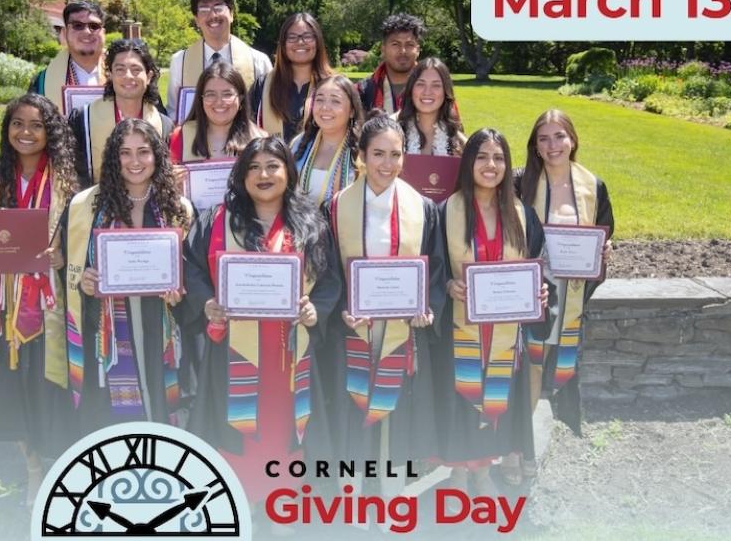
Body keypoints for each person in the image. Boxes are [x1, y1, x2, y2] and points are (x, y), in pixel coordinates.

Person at [183, 137, 339, 507]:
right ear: (241, 175)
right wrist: (207, 304)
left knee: (285, 427)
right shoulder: (217, 221)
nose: (263, 175)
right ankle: (240, 500)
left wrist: (316, 310)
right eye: (253, 167)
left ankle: (283, 500)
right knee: (238, 427)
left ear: (288, 171)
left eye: (273, 166)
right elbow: (192, 270)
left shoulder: (311, 224)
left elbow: (331, 280)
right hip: (234, 351)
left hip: (291, 352)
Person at [0, 93, 80, 505]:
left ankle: (62, 468)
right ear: (6, 129)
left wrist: (64, 258)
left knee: (52, 392)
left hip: (50, 307)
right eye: (17, 124)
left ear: (52, 132)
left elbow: (86, 242)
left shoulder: (71, 183)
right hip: (1, 307)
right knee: (13, 391)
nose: (26, 133)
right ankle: (31, 468)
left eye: (37, 125)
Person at [325, 113, 446, 497]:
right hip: (352, 333)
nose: (387, 164)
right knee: (352, 412)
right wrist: (340, 307)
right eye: (378, 154)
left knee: (396, 416)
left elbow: (436, 269)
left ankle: (391, 494)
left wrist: (427, 307)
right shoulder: (335, 208)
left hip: (400, 335)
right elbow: (326, 271)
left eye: (396, 154)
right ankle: (352, 496)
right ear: (360, 156)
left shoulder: (422, 208)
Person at [60, 119, 194, 435]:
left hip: (158, 323)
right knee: (114, 411)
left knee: (161, 400)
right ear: (113, 157)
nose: (134, 162)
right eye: (125, 152)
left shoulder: (178, 209)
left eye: (144, 152)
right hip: (109, 328)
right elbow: (70, 267)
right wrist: (85, 283)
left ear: (158, 156)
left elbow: (193, 271)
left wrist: (181, 291)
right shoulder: (86, 206)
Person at [437, 128, 551, 492]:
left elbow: (535, 265)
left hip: (503, 334)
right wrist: (446, 286)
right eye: (482, 157)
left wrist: (540, 292)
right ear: (469, 161)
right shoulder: (445, 211)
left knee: (495, 401)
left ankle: (483, 470)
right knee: (462, 404)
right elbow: (434, 267)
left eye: (499, 157)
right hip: (462, 330)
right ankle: (457, 474)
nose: (490, 165)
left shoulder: (522, 214)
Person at [515, 109, 614, 438]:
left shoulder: (593, 186)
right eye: (543, 138)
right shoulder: (520, 183)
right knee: (526, 367)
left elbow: (604, 233)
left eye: (559, 136)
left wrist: (602, 253)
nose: (552, 144)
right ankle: (521, 439)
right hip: (532, 294)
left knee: (556, 360)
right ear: (535, 146)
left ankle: (541, 416)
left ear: (572, 140)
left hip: (570, 291)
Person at [69, 39, 173, 188]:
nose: (128, 76)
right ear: (110, 75)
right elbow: (75, 177)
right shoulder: (82, 120)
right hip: (96, 206)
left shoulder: (164, 125)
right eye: (120, 69)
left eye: (136, 69)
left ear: (149, 76)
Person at [167, 0, 272, 117]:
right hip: (196, 136)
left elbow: (267, 111)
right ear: (197, 20)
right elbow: (174, 110)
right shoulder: (180, 61)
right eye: (204, 10)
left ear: (232, 14)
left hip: (245, 136)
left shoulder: (258, 61)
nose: (213, 15)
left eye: (218, 7)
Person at [249, 13, 334, 141]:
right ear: (283, 44)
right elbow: (248, 125)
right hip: (272, 159)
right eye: (292, 37)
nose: (300, 42)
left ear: (318, 42)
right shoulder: (263, 85)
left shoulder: (334, 86)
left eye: (307, 36)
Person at [169, 61, 265, 165]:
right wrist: (172, 178)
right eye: (210, 94)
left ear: (241, 99)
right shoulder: (181, 136)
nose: (219, 102)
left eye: (227, 94)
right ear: (201, 100)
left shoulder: (260, 139)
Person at [290, 75, 364, 204]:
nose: (325, 107)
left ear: (352, 110)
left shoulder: (364, 151)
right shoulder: (298, 144)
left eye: (335, 101)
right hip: (301, 222)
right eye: (319, 100)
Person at [29, 1, 106, 114]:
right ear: (65, 33)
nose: (86, 31)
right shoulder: (42, 82)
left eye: (94, 26)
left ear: (103, 33)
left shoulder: (124, 73)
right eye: (77, 26)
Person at [396, 57, 466, 156]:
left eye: (436, 85)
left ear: (445, 91)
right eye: (421, 84)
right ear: (411, 89)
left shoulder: (458, 141)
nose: (427, 92)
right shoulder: (395, 135)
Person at [357, 13, 425, 113]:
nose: (403, 51)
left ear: (418, 50)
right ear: (383, 49)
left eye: (410, 45)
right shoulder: (362, 91)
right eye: (395, 44)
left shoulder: (434, 90)